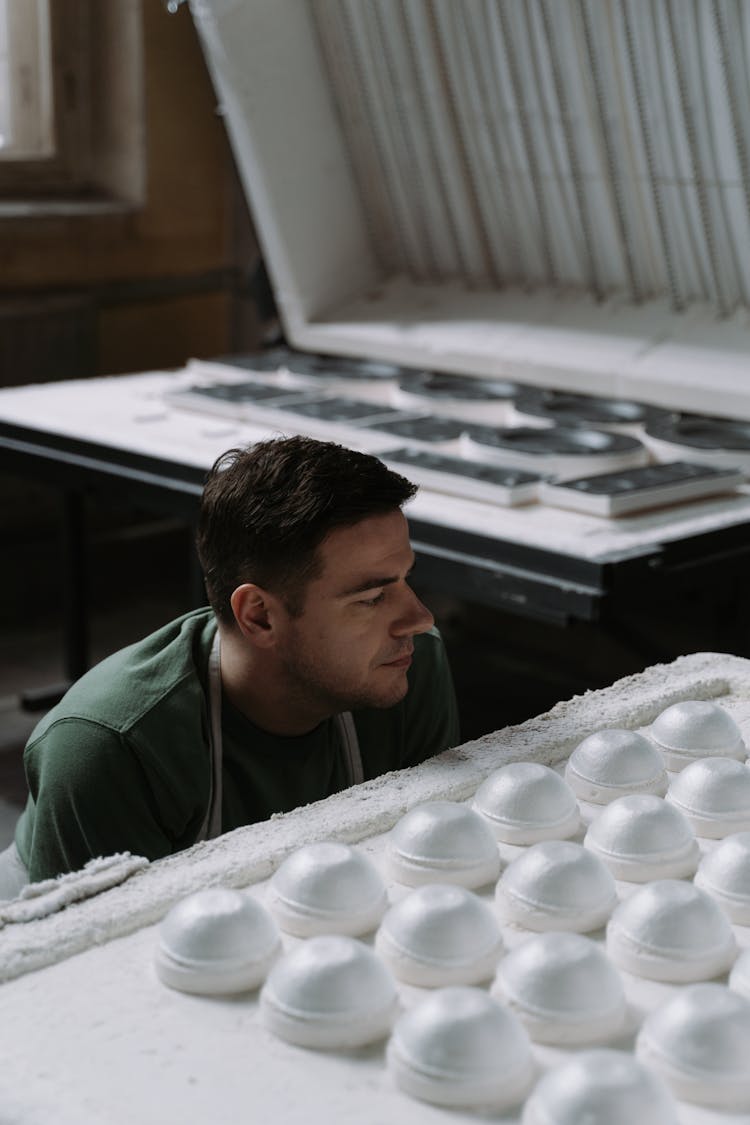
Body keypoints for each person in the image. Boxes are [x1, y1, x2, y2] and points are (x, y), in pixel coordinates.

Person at [5, 436, 459, 892]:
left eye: (406, 579)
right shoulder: (111, 746)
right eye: (373, 597)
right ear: (259, 616)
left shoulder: (410, 665)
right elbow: (105, 949)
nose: (419, 619)